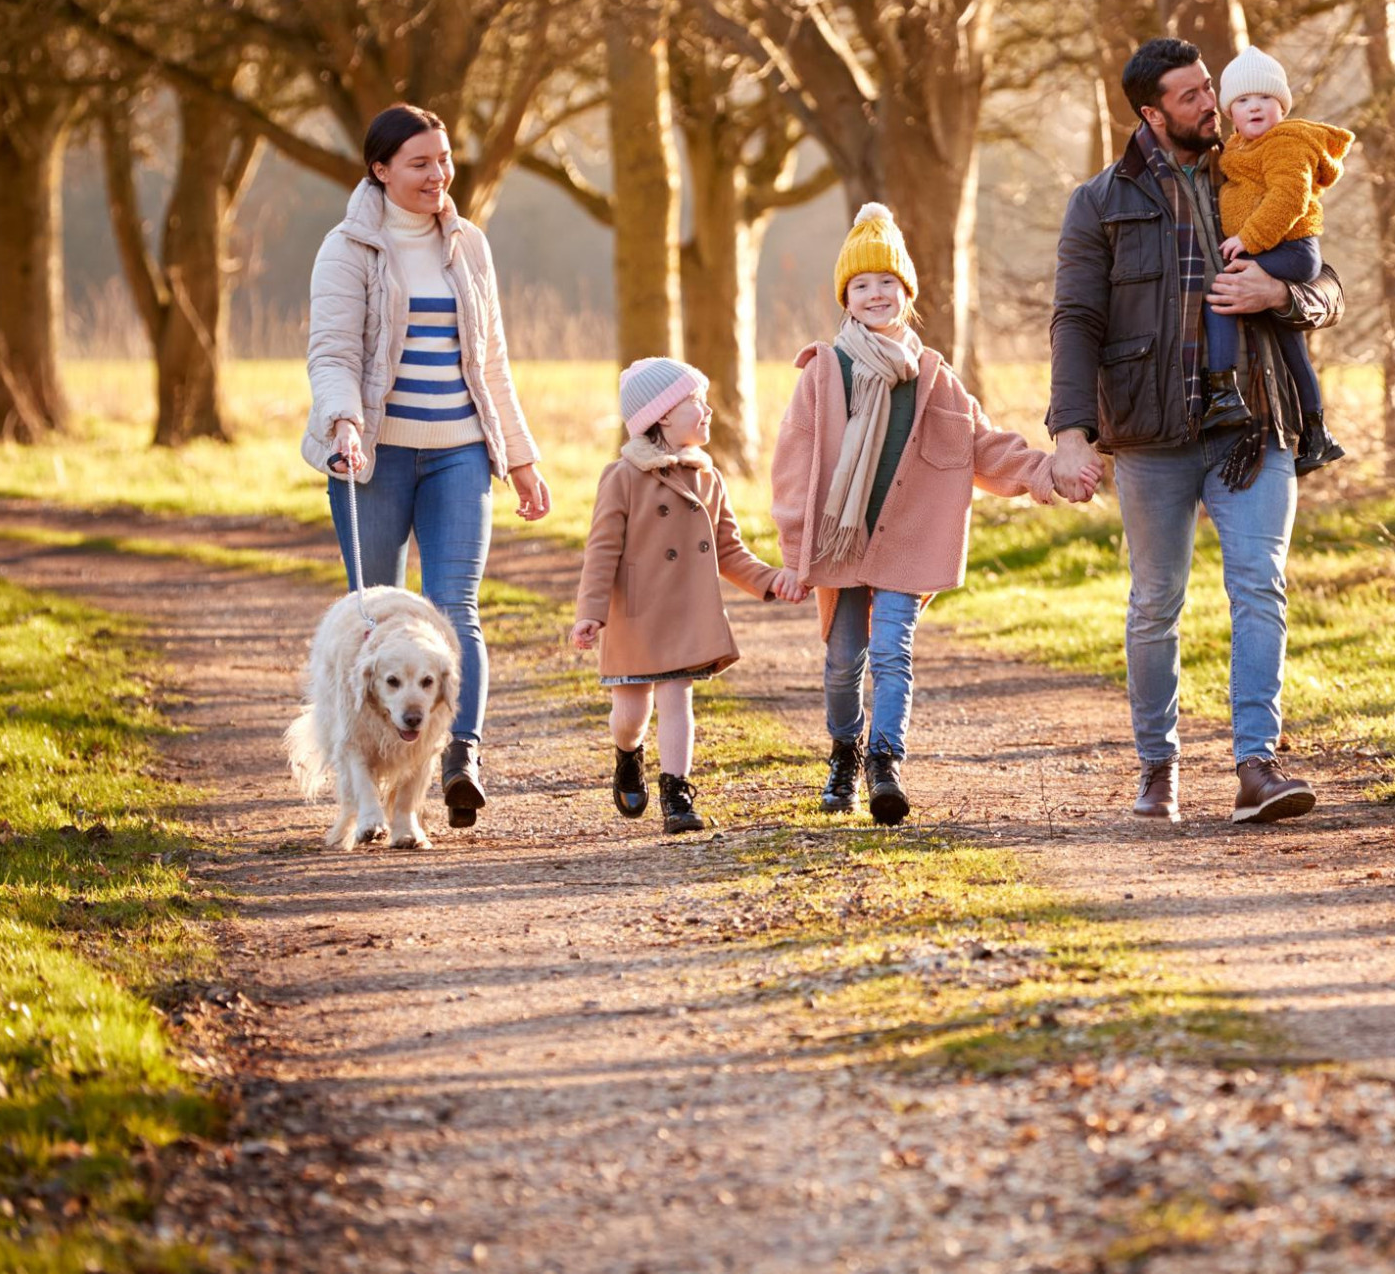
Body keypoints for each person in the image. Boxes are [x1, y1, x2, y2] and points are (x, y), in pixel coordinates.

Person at [1046, 38, 1345, 826]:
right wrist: (1070, 432)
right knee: (1155, 603)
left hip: (1255, 421)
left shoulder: (1253, 163)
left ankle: (1256, 766)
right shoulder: (1098, 202)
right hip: (1150, 433)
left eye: (1209, 86)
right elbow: (1075, 319)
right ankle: (1157, 768)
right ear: (1152, 113)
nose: (1212, 105)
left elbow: (1326, 284)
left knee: (1259, 585)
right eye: (1191, 96)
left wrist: (1280, 296)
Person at [771, 204, 1085, 825]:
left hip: (907, 542)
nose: (875, 294)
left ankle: (884, 763)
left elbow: (983, 446)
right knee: (843, 661)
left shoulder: (936, 379)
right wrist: (794, 551)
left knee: (893, 653)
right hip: (840, 544)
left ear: (906, 293)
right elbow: (792, 466)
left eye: (887, 281)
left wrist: (1045, 472)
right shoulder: (824, 374)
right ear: (846, 299)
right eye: (862, 285)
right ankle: (844, 751)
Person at [305, 104, 551, 831]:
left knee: (455, 607)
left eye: (442, 159)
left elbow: (493, 362)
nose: (437, 174)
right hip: (373, 454)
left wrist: (521, 457)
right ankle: (365, 768)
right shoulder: (346, 249)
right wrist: (344, 421)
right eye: (419, 162)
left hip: (460, 452)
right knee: (374, 617)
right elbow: (332, 353)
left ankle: (459, 756)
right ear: (380, 170)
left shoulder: (468, 243)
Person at [571, 357, 806, 834]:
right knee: (630, 714)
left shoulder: (708, 478)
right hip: (636, 612)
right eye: (695, 401)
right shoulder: (622, 476)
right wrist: (590, 613)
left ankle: (676, 791)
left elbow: (728, 550)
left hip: (685, 612)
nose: (708, 410)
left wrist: (770, 579)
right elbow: (601, 551)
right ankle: (628, 754)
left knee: (677, 697)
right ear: (661, 415)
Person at [1206, 46, 1352, 474]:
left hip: (1290, 251)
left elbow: (1289, 197)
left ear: (1282, 107)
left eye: (1265, 98)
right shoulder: (1239, 148)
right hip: (1276, 249)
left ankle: (1224, 393)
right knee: (1291, 343)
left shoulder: (1287, 143)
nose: (1255, 106)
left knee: (1223, 294)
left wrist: (1247, 239)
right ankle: (1318, 433)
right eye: (1243, 100)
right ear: (1230, 113)